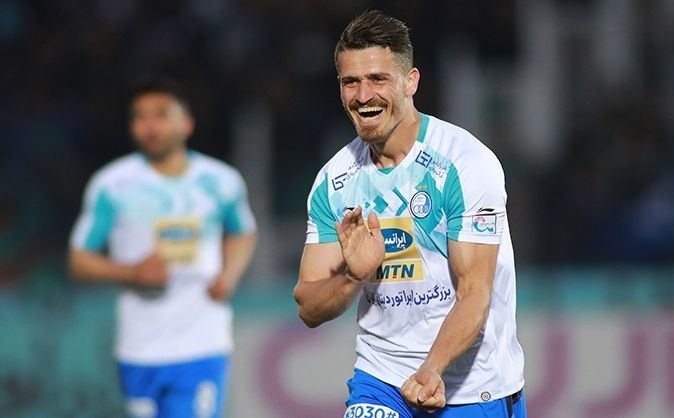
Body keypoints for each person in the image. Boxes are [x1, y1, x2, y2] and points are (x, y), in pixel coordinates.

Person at [294, 10, 526, 418]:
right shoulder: (334, 181)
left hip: (470, 387)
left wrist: (431, 370)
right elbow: (308, 306)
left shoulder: (465, 164)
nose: (363, 95)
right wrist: (352, 277)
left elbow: (475, 292)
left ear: (410, 81)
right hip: (380, 380)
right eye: (351, 82)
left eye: (378, 79)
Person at [68, 78, 257, 418]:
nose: (150, 126)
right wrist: (132, 272)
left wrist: (230, 274)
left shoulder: (221, 181)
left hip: (201, 343)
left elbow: (243, 232)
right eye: (140, 117)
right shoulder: (112, 185)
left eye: (161, 115)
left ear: (187, 123)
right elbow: (79, 260)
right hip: (138, 348)